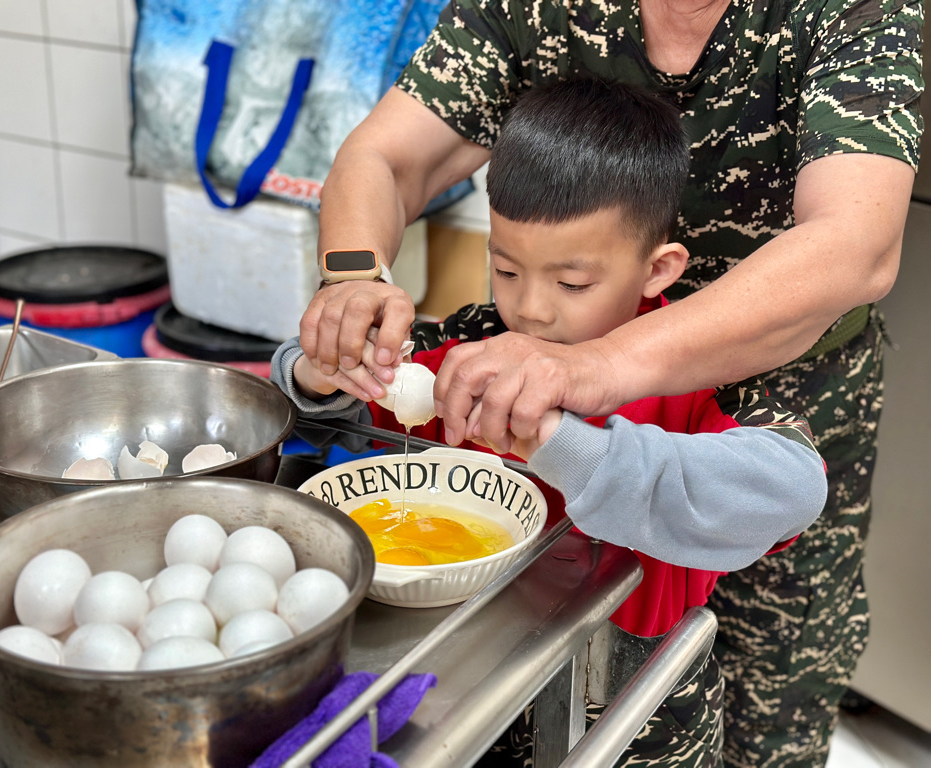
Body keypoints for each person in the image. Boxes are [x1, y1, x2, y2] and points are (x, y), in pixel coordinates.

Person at [296, 2, 922, 765]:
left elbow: (853, 254)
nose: (531, 308)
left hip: (759, 425)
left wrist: (586, 392)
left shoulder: (714, 407)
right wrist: (345, 305)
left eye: (569, 282)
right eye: (504, 269)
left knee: (773, 714)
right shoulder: (481, 345)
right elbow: (384, 173)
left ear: (658, 268)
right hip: (511, 692)